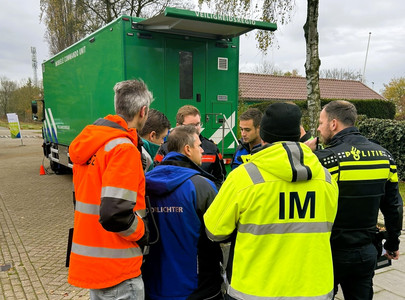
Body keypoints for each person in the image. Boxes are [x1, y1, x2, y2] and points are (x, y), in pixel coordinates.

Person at [204, 102, 339, 300]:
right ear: (298, 133)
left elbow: (214, 231)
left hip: (254, 291)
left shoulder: (243, 178)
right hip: (314, 290)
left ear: (263, 134)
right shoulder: (327, 179)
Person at [306, 100, 403, 300]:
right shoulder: (385, 156)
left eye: (321, 122)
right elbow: (394, 207)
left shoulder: (325, 159)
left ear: (333, 124)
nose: (318, 128)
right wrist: (392, 244)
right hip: (365, 252)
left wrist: (306, 152)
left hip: (328, 252)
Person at [68, 79, 153, 299]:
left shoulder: (92, 144)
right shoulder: (123, 149)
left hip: (95, 266)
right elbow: (115, 214)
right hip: (120, 269)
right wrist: (143, 233)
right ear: (142, 111)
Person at [143, 125, 223, 300]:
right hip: (198, 288)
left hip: (153, 285)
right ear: (187, 149)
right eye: (198, 145)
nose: (202, 149)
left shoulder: (144, 183)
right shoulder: (202, 185)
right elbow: (219, 233)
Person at [154, 105, 226, 188]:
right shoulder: (165, 149)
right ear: (178, 126)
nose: (196, 129)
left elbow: (220, 178)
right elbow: (158, 176)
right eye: (191, 126)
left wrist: (209, 194)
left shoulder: (211, 148)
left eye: (198, 124)